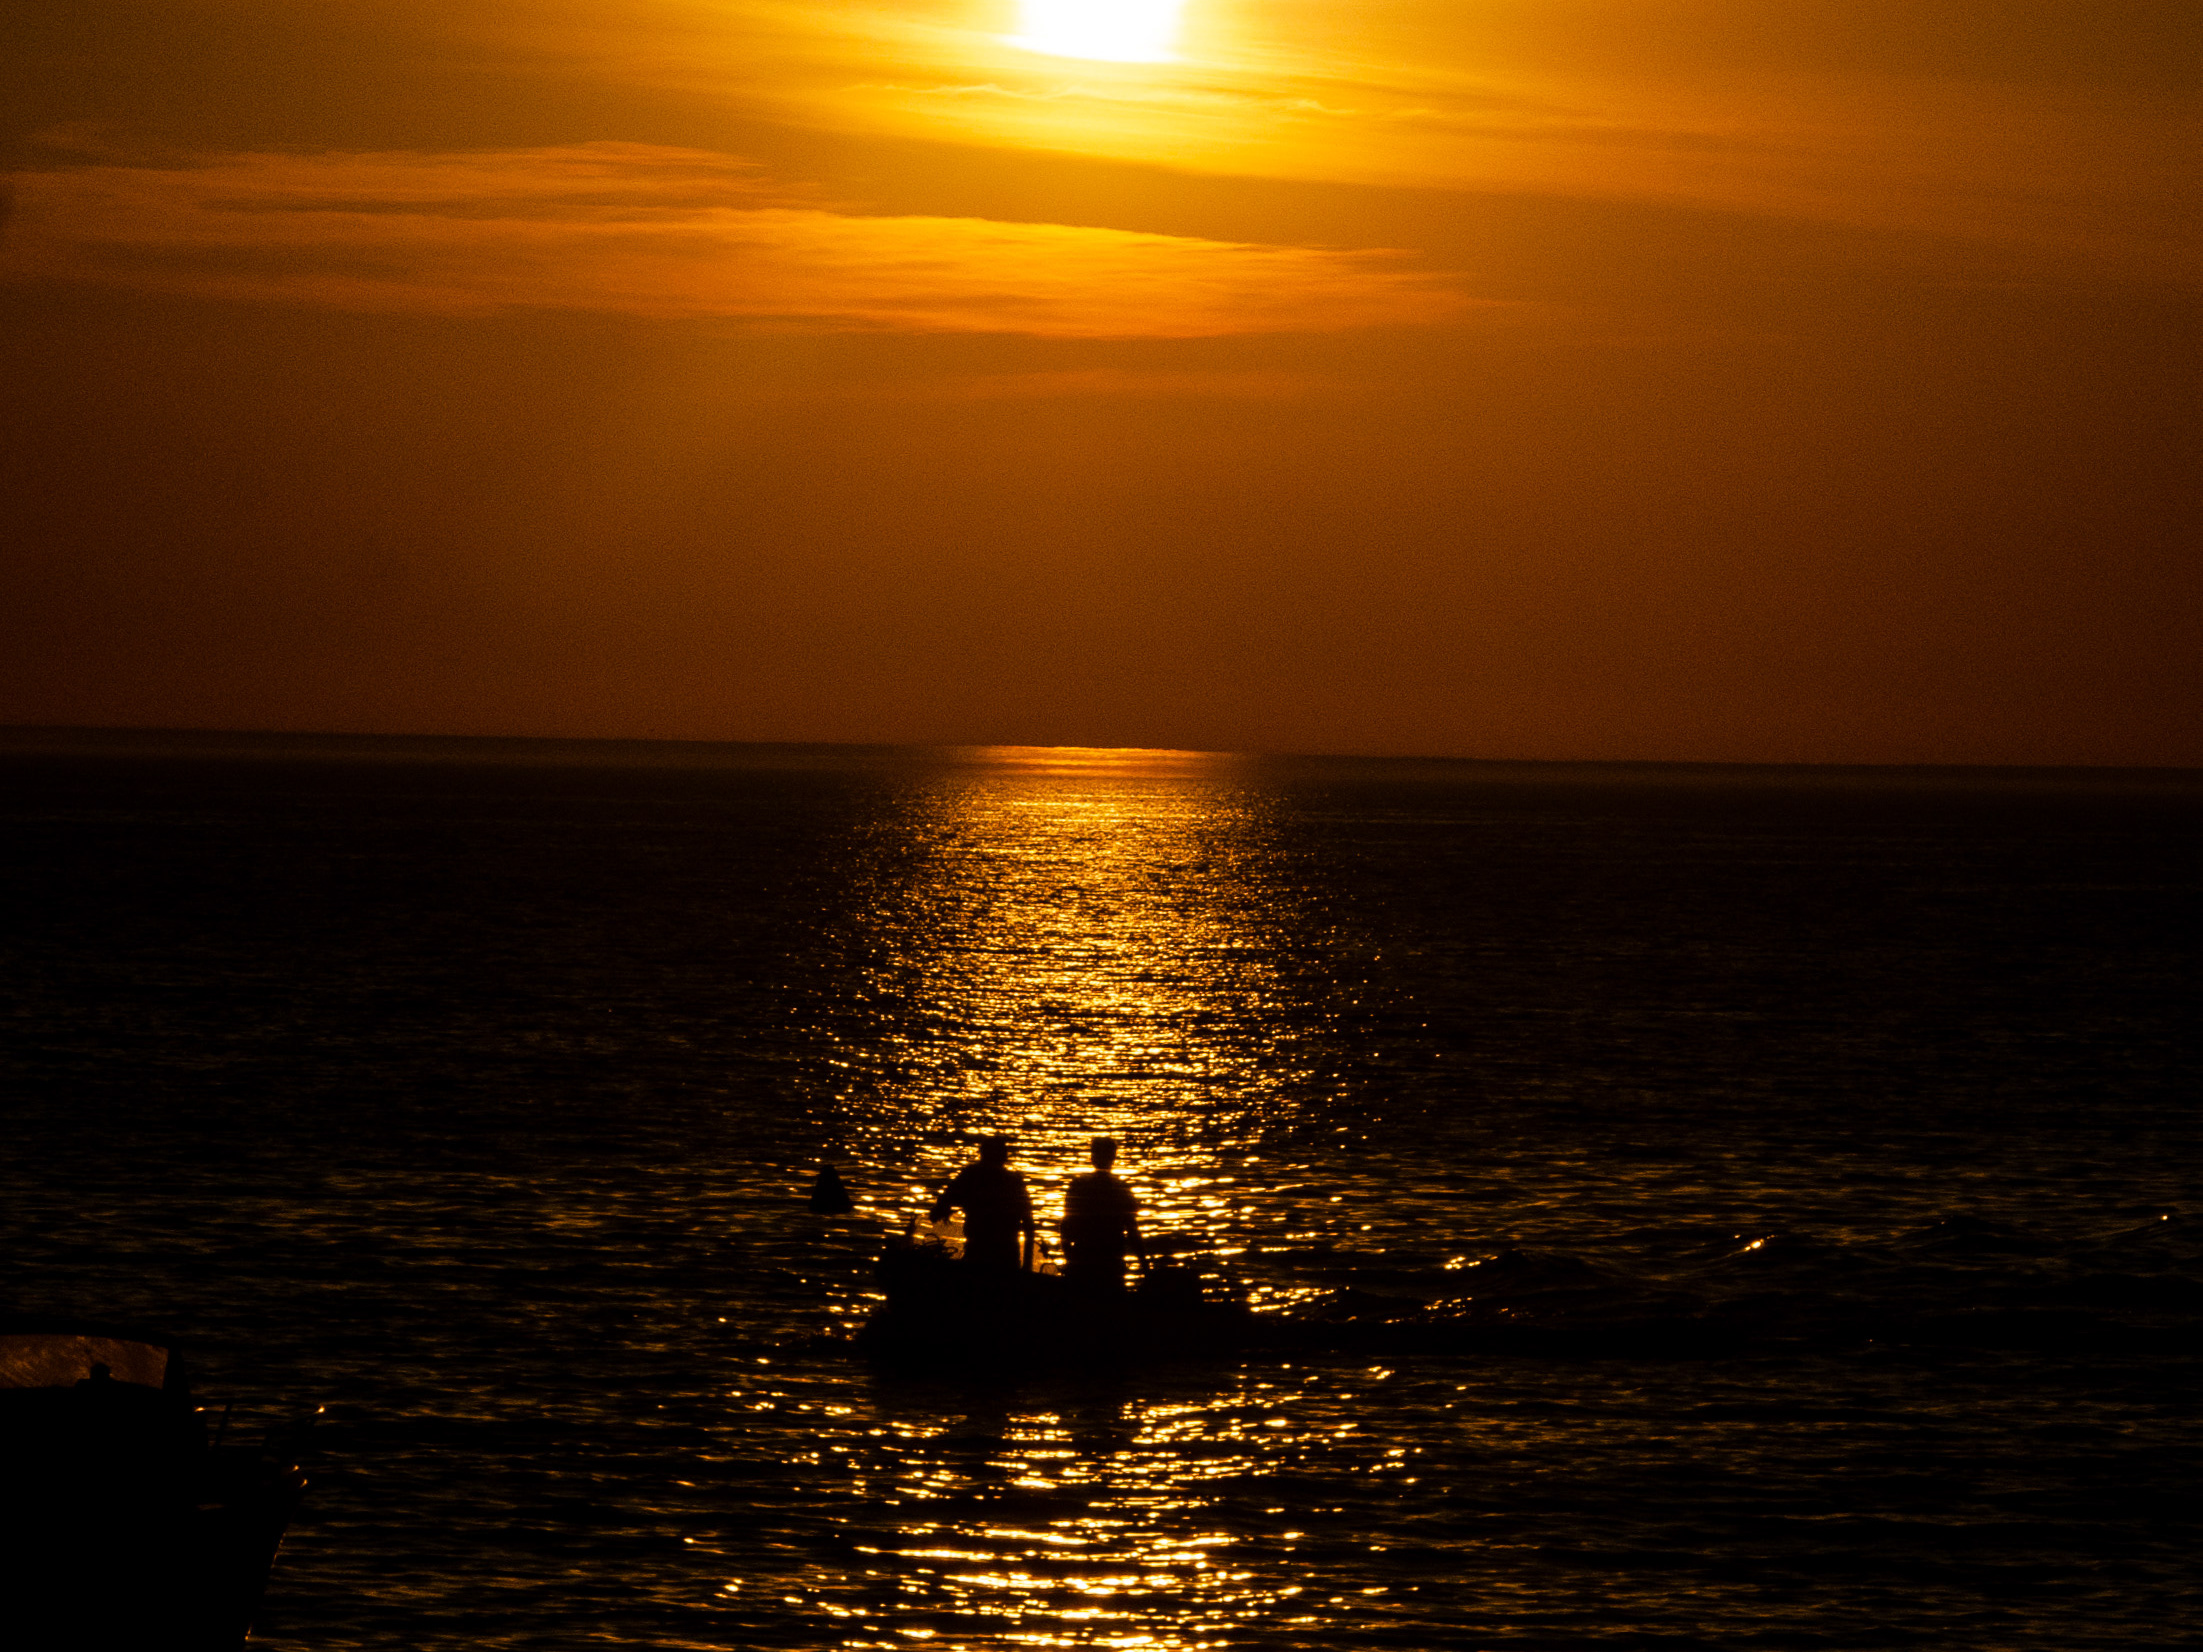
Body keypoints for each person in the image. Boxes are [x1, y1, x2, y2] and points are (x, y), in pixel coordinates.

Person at [929, 1136, 1036, 1272]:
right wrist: (1027, 1266)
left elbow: (936, 1213)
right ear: (1004, 1158)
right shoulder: (1015, 1182)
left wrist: (944, 1209)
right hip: (1007, 1258)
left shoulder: (971, 1176)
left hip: (978, 1254)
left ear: (982, 1155)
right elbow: (1029, 1226)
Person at [1061, 1137, 1142, 1290]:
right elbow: (1133, 1231)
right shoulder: (1121, 1188)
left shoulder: (1077, 1186)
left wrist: (1070, 1258)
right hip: (1111, 1263)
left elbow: (1065, 1227)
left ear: (1092, 1158)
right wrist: (1144, 1266)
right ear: (1113, 1158)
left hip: (1082, 1259)